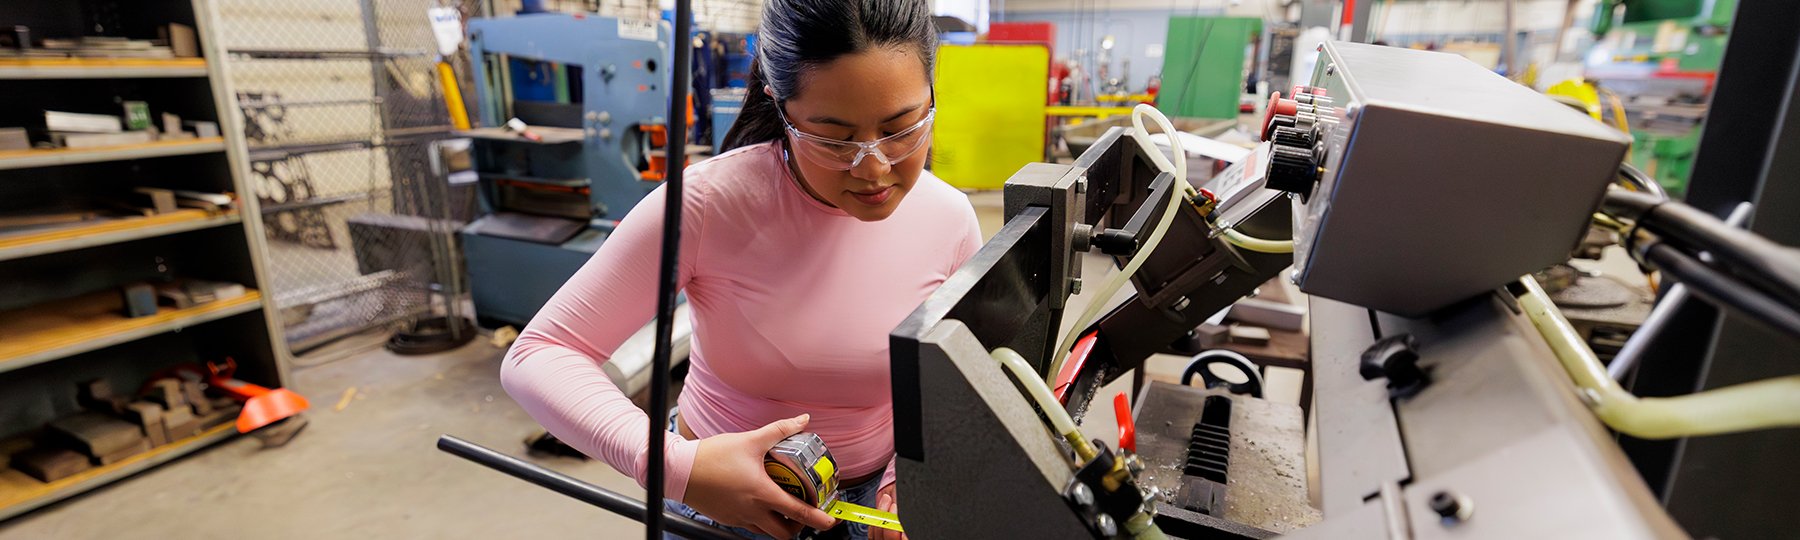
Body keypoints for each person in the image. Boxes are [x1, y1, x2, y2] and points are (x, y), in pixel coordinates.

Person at [500, 1, 976, 538]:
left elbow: (948, 378)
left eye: (901, 128)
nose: (873, 168)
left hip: (878, 508)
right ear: (781, 105)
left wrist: (902, 478)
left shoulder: (951, 221)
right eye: (833, 138)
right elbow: (539, 354)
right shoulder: (708, 205)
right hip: (721, 510)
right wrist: (673, 466)